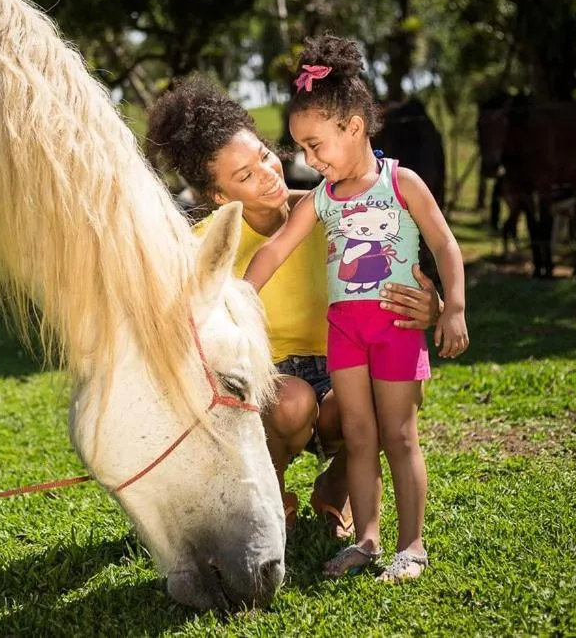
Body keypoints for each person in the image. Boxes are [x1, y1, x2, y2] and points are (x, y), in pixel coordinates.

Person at [144, 74, 443, 544]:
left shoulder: (333, 209)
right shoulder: (202, 250)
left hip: (346, 363)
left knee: (391, 400)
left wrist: (433, 304)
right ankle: (273, 493)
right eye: (245, 176)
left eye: (264, 156)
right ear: (219, 196)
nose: (268, 174)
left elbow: (402, 264)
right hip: (269, 383)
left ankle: (334, 487)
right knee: (293, 400)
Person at [243, 34, 469, 582]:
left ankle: (410, 545)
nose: (308, 159)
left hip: (395, 330)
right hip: (345, 333)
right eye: (300, 148)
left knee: (400, 436)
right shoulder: (321, 198)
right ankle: (366, 538)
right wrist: (240, 296)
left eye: (316, 144)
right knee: (361, 437)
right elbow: (275, 248)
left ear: (355, 127)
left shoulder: (402, 182)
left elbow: (444, 244)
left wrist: (453, 307)